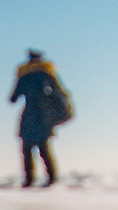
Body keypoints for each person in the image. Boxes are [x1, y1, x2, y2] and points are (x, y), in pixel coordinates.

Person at [8, 50, 71, 188]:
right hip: (45, 116)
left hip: (29, 114)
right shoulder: (48, 74)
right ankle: (52, 179)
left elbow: (12, 99)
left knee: (27, 149)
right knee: (44, 148)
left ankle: (29, 180)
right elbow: (62, 93)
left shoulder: (24, 76)